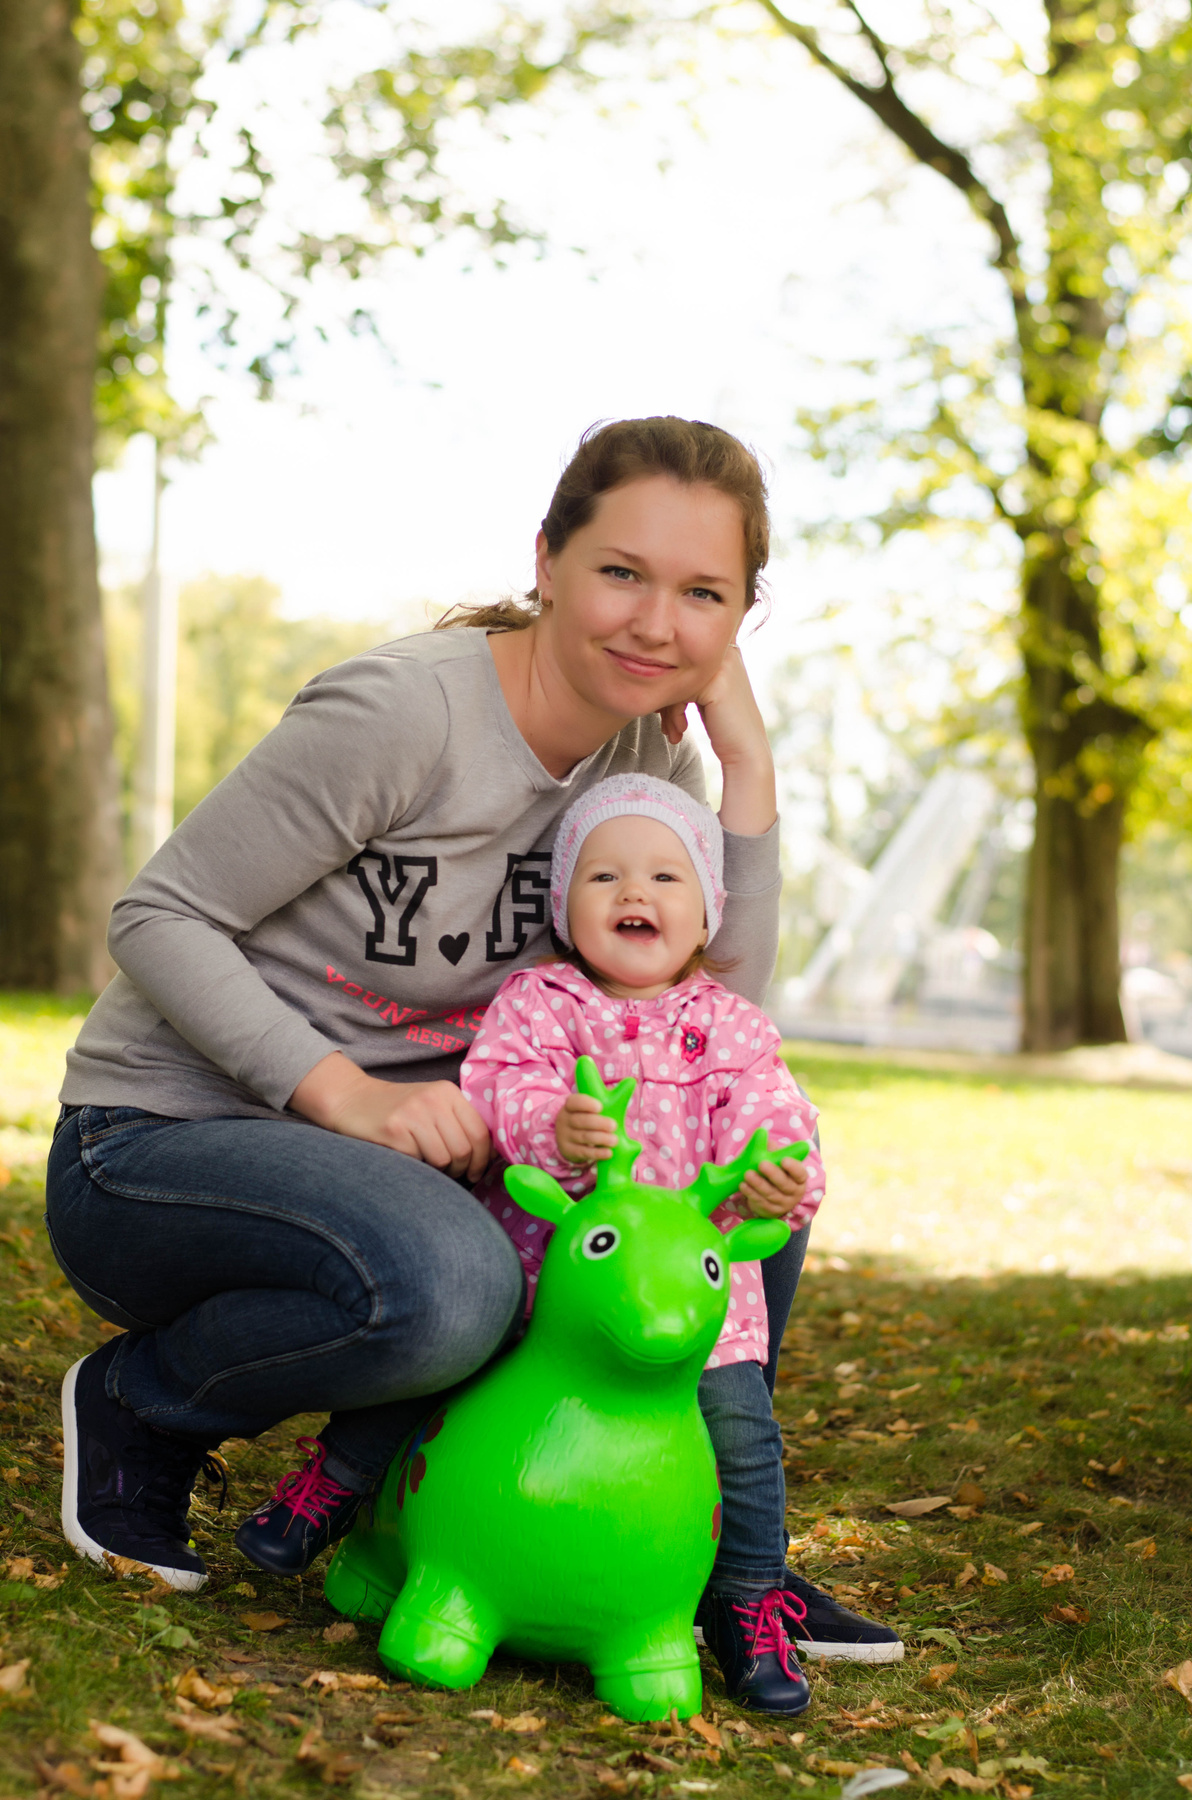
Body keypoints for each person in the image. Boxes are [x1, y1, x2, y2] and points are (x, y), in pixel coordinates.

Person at [44, 415, 898, 1671]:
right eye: (621, 573)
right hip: (162, 1143)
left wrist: (747, 766)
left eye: (701, 594)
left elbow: (707, 1010)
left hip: (411, 1157)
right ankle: (142, 1406)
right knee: (450, 1287)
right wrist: (345, 1093)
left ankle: (708, 1537)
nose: (655, 624)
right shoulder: (407, 715)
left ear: (740, 618)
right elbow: (158, 916)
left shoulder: (647, 753)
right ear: (547, 558)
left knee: (722, 1178)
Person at [459, 773, 821, 1712]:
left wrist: (779, 1174)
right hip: (560, 1300)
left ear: (706, 913)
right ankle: (358, 1487)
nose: (634, 893)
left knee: (742, 1440)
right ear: (564, 904)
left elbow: (777, 1117)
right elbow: (499, 1087)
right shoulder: (540, 1003)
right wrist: (554, 1126)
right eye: (604, 875)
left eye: (665, 876)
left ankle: (746, 1601)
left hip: (700, 1308)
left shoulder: (732, 1028)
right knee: (464, 1394)